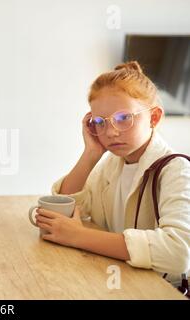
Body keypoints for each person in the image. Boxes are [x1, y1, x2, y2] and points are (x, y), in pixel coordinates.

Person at [35, 61, 190, 287]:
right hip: (117, 281)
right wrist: (90, 153)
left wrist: (78, 236)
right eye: (100, 122)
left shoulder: (176, 169)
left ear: (154, 118)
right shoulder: (112, 164)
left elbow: (179, 253)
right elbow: (66, 206)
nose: (110, 132)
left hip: (156, 290)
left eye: (123, 118)